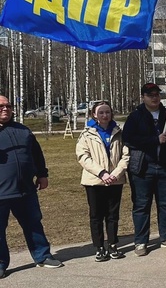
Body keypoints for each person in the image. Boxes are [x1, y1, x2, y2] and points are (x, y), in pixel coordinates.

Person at [0, 95, 63, 278]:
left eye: (8, 106)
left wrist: (42, 174)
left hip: (25, 190)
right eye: (1, 106)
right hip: (1, 192)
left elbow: (36, 154)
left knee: (34, 224)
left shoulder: (23, 130)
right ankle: (1, 262)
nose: (5, 109)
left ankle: (42, 256)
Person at [123, 83, 166, 256]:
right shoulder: (136, 116)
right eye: (150, 94)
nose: (154, 97)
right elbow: (129, 139)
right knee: (142, 205)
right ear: (143, 97)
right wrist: (154, 140)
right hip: (144, 168)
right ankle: (141, 241)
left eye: (157, 94)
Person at [75, 100, 130, 261]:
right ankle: (99, 247)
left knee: (113, 215)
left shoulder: (119, 131)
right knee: (96, 215)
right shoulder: (87, 133)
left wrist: (116, 173)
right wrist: (102, 173)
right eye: (101, 112)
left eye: (107, 112)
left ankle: (113, 244)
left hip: (115, 180)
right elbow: (83, 156)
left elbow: (125, 155)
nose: (105, 115)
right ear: (94, 115)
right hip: (94, 181)